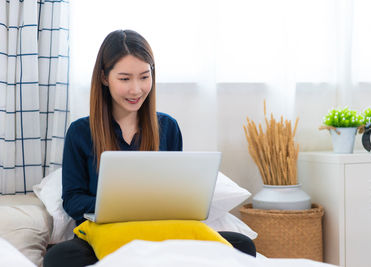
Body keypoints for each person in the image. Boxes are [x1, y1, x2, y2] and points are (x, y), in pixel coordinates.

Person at [43, 29, 256, 267]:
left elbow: (177, 192)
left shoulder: (168, 127)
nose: (136, 89)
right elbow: (72, 201)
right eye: (125, 79)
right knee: (58, 258)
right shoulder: (81, 132)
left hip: (161, 232)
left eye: (144, 77)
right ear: (104, 77)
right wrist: (120, 206)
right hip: (107, 233)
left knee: (241, 245)